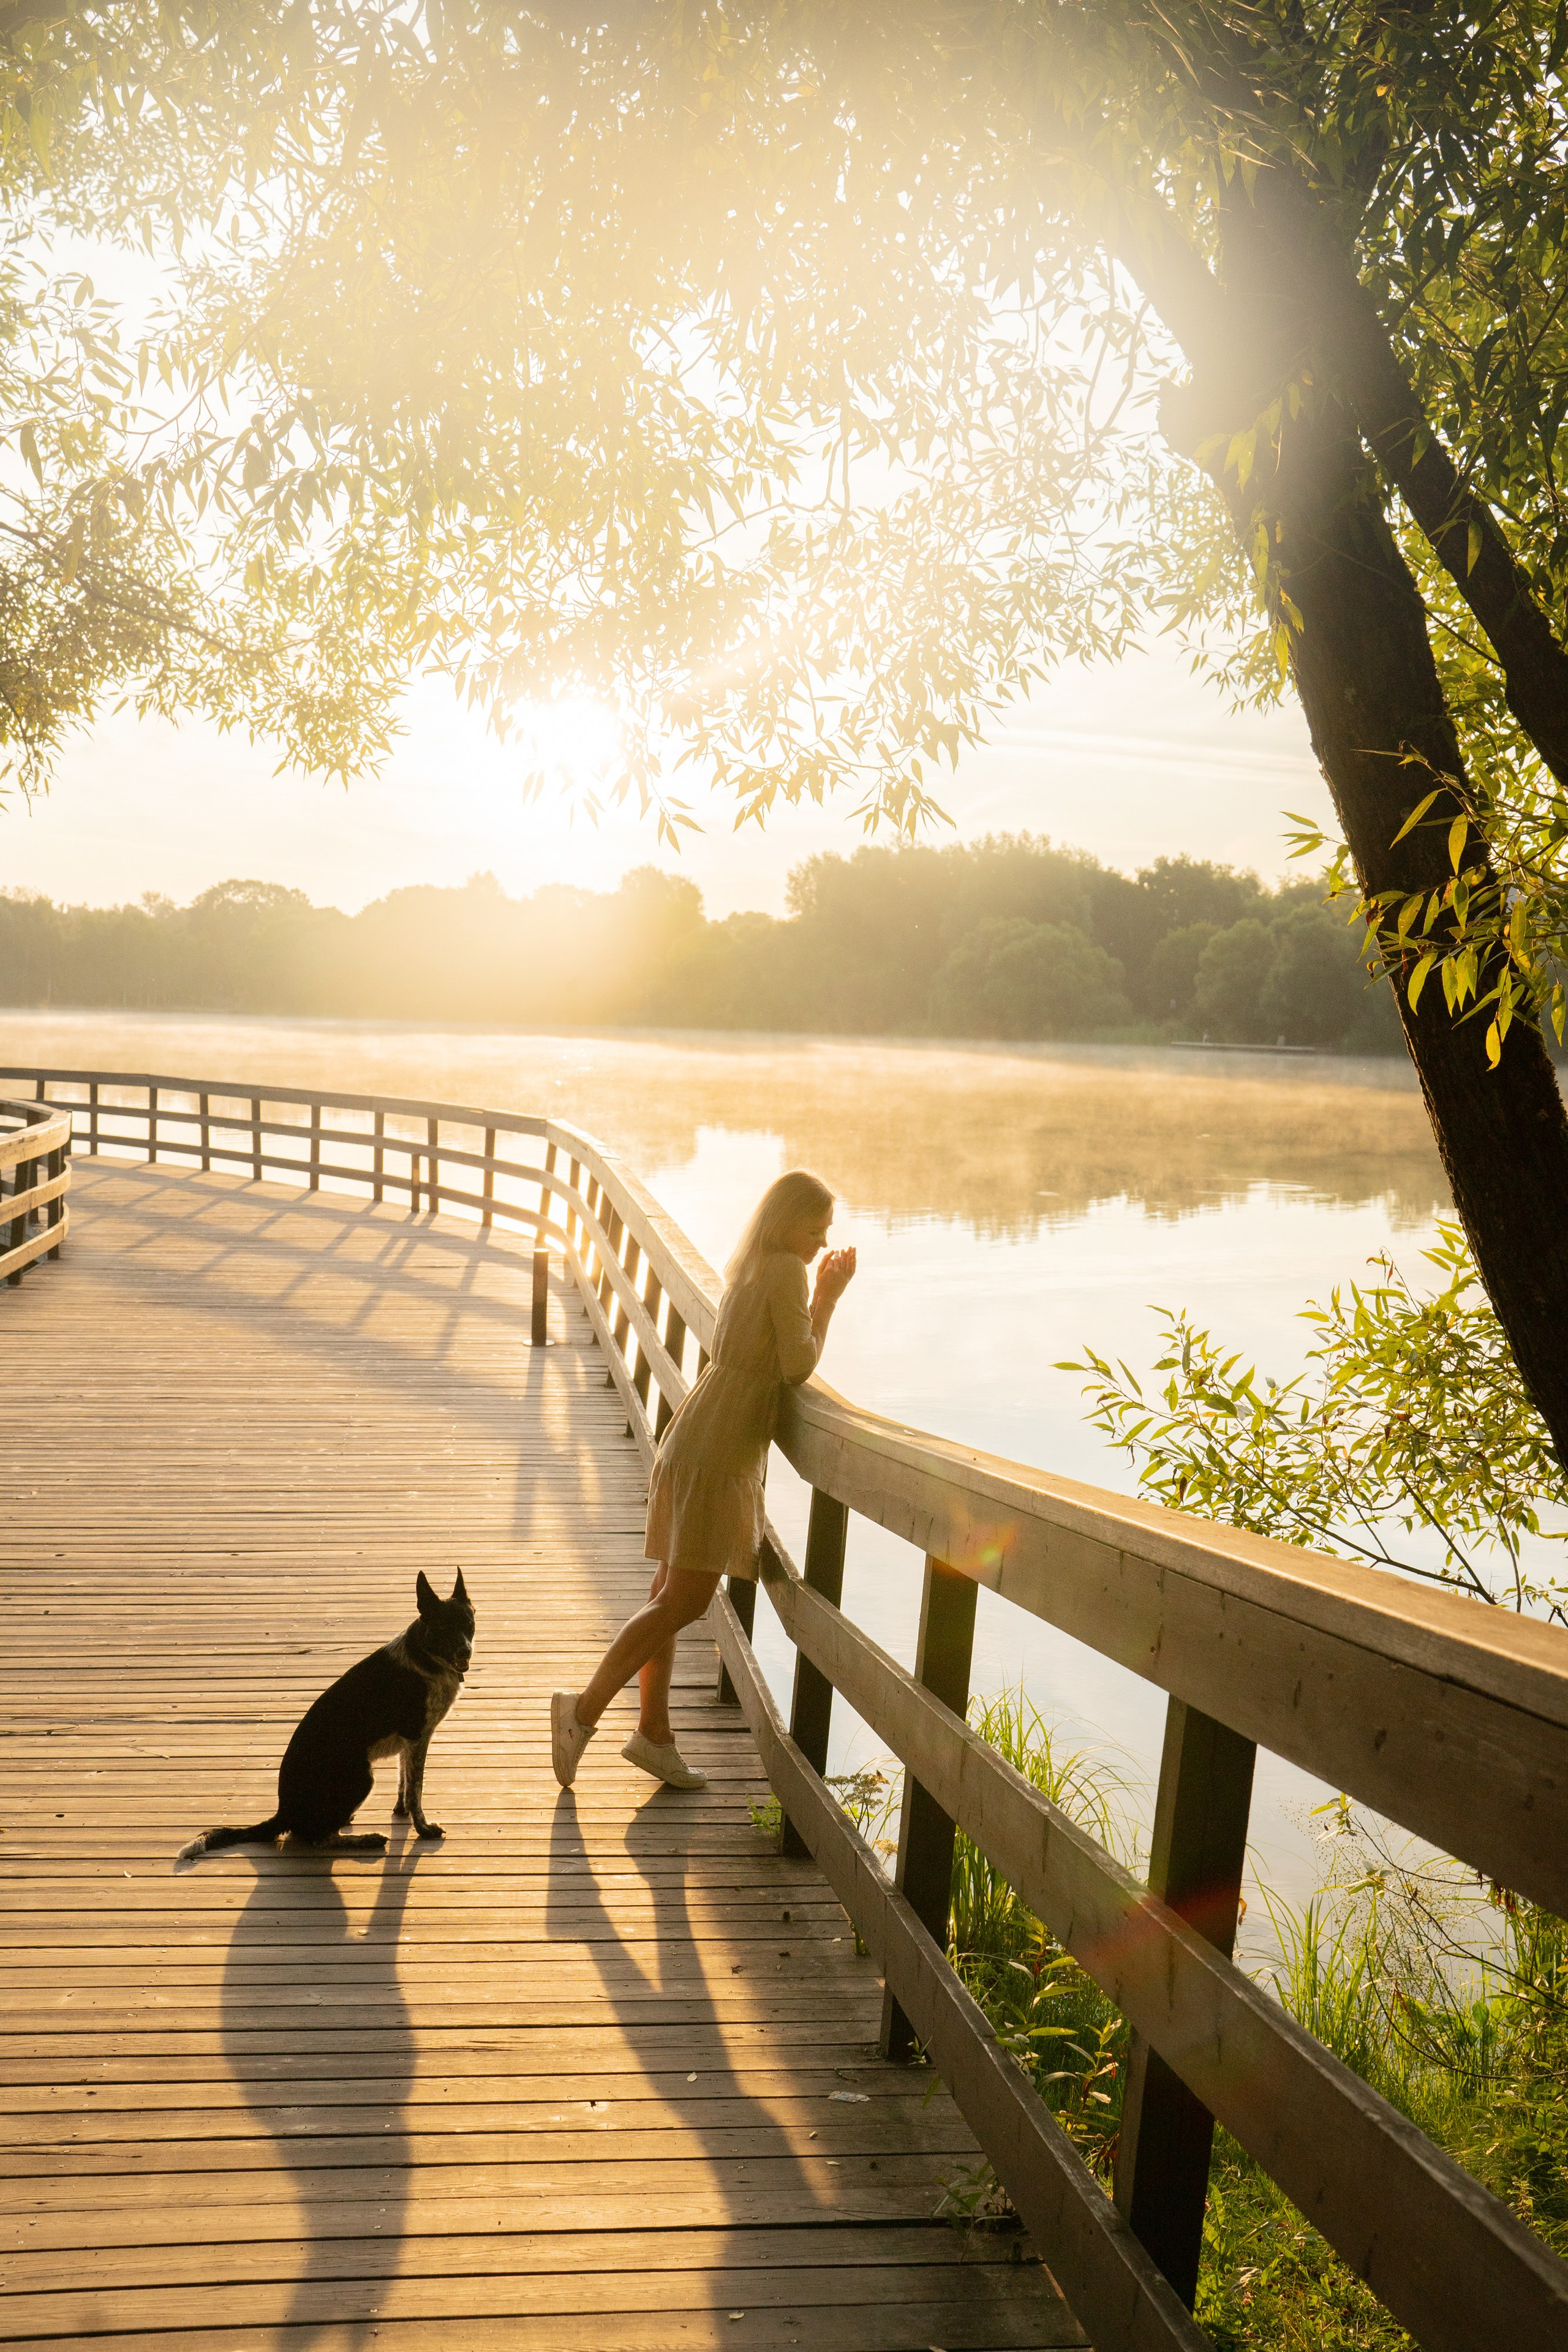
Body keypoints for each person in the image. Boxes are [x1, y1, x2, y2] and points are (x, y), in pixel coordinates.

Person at [552, 1169, 856, 1791]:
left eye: (827, 1233)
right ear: (785, 1222)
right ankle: (580, 1712)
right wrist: (828, 1298)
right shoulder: (787, 1270)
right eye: (813, 1230)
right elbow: (798, 1366)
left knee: (666, 1596)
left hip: (698, 1435)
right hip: (717, 1452)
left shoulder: (753, 1261)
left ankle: (654, 1734)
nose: (822, 1244)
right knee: (683, 1601)